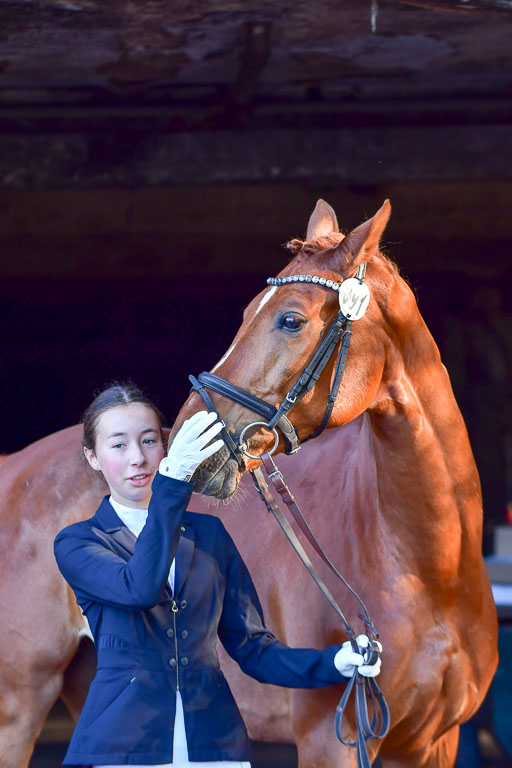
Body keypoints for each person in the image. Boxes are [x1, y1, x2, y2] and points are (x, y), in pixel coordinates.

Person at [54, 383, 382, 768]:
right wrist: (172, 484)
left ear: (166, 446)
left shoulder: (210, 535)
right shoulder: (78, 542)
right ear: (92, 457)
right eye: (119, 445)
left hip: (215, 744)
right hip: (121, 746)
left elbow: (253, 649)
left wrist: (333, 662)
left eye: (149, 441)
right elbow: (139, 588)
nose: (138, 458)